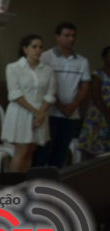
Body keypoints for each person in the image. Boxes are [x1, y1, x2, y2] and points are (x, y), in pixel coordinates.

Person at [36, 22, 91, 168]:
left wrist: (74, 105)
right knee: (44, 149)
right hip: (50, 111)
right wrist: (59, 105)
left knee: (61, 150)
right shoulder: (46, 57)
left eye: (73, 36)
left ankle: (54, 183)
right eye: (66, 35)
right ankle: (37, 182)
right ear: (57, 37)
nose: (71, 39)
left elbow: (85, 85)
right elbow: (44, 85)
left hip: (71, 114)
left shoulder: (82, 61)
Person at [1, 35, 57, 172]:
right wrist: (36, 113)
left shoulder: (47, 70)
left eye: (40, 47)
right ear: (25, 49)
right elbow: (15, 93)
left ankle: (23, 184)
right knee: (22, 149)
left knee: (31, 150)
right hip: (22, 111)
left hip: (40, 112)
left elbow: (50, 94)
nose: (38, 50)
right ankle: (12, 185)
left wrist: (41, 114)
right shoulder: (14, 67)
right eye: (34, 47)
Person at [80, 46, 110, 156]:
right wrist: (107, 112)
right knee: (93, 148)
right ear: (104, 58)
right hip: (98, 114)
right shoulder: (97, 75)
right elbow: (96, 96)